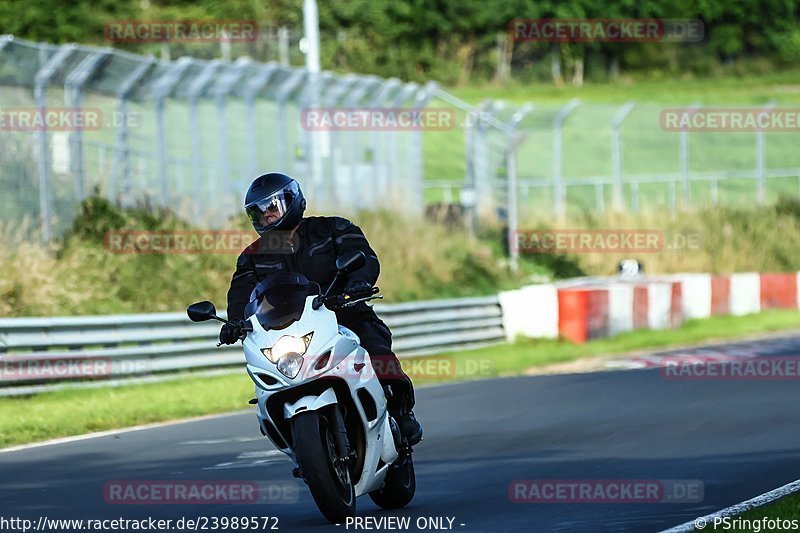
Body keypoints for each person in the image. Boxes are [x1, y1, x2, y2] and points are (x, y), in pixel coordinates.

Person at [220, 172, 422, 445]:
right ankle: (292, 436)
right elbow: (242, 293)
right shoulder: (252, 256)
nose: (266, 215)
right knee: (268, 377)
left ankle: (401, 413)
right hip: (289, 329)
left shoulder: (333, 229)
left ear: (293, 201)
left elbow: (363, 257)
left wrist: (358, 284)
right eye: (258, 212)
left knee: (376, 351)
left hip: (344, 314)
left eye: (272, 207)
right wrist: (234, 321)